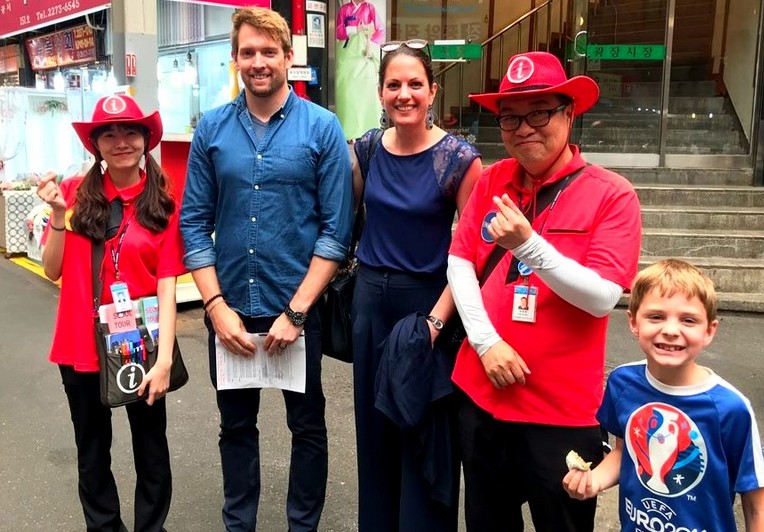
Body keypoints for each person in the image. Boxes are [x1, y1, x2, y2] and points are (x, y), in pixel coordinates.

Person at [446, 51, 643, 531]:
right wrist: (485, 342)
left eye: (539, 113)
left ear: (569, 113)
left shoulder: (612, 194)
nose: (523, 128)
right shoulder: (493, 180)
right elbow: (458, 262)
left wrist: (529, 246)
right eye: (511, 117)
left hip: (561, 412)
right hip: (481, 393)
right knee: (488, 522)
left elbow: (601, 297)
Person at [179, 7, 352, 532]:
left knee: (308, 427)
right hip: (230, 310)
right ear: (235, 60)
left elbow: (335, 231)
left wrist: (297, 313)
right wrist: (214, 308)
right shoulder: (211, 129)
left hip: (296, 310)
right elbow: (193, 224)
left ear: (288, 57)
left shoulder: (321, 128)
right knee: (235, 428)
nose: (258, 62)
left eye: (268, 52)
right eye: (248, 52)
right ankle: (240, 525)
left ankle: (304, 525)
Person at [35, 93, 184, 532]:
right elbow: (52, 268)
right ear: (96, 143)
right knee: (92, 451)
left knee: (151, 450)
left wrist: (165, 359)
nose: (121, 141)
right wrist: (60, 217)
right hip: (78, 342)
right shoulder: (72, 195)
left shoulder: (163, 203)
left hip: (139, 344)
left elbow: (168, 282)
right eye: (109, 133)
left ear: (145, 139)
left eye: (130, 131)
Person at [350, 40, 483, 531]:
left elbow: (473, 253)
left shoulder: (459, 159)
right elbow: (340, 222)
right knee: (375, 430)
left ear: (432, 91)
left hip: (426, 308)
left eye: (414, 85)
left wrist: (436, 321)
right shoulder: (365, 150)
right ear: (381, 92)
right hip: (369, 305)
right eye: (393, 85)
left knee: (423, 430)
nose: (403, 94)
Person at [563, 259, 764, 531]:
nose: (671, 330)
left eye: (688, 320)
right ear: (633, 322)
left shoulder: (730, 408)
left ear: (709, 331)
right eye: (656, 316)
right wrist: (593, 481)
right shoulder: (623, 383)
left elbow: (757, 504)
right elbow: (624, 453)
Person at [335, 0, 384, 141]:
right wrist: (355, 30)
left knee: (366, 95)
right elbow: (339, 32)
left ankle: (369, 132)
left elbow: (380, 31)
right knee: (348, 95)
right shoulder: (344, 9)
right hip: (348, 58)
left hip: (364, 57)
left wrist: (369, 41)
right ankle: (348, 133)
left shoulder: (370, 8)